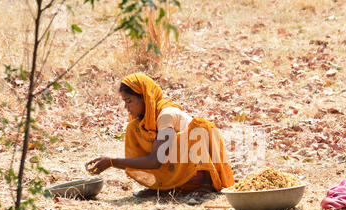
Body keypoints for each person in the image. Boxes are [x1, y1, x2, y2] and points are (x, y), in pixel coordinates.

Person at [85, 73, 234, 196]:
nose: (126, 107)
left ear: (144, 98)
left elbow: (156, 160)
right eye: (124, 102)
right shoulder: (143, 122)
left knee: (196, 131)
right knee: (133, 128)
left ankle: (205, 185)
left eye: (129, 101)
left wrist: (112, 162)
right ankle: (162, 186)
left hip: (196, 173)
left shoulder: (165, 116)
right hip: (177, 170)